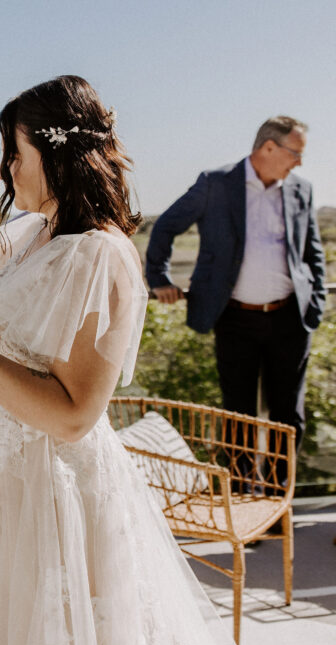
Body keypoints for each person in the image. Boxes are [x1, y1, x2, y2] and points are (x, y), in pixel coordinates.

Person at [0, 76, 252, 645]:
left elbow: (74, 416)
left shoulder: (99, 256)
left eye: (15, 156)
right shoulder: (42, 229)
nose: (7, 172)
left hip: (49, 490)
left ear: (57, 157)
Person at [146, 117, 325, 488]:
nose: (300, 162)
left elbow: (313, 251)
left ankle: (277, 505)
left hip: (290, 319)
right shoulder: (216, 183)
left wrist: (316, 301)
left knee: (288, 418)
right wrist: (160, 280)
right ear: (269, 147)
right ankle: (244, 496)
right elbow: (166, 226)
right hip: (235, 319)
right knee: (239, 415)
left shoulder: (300, 190)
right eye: (296, 153)